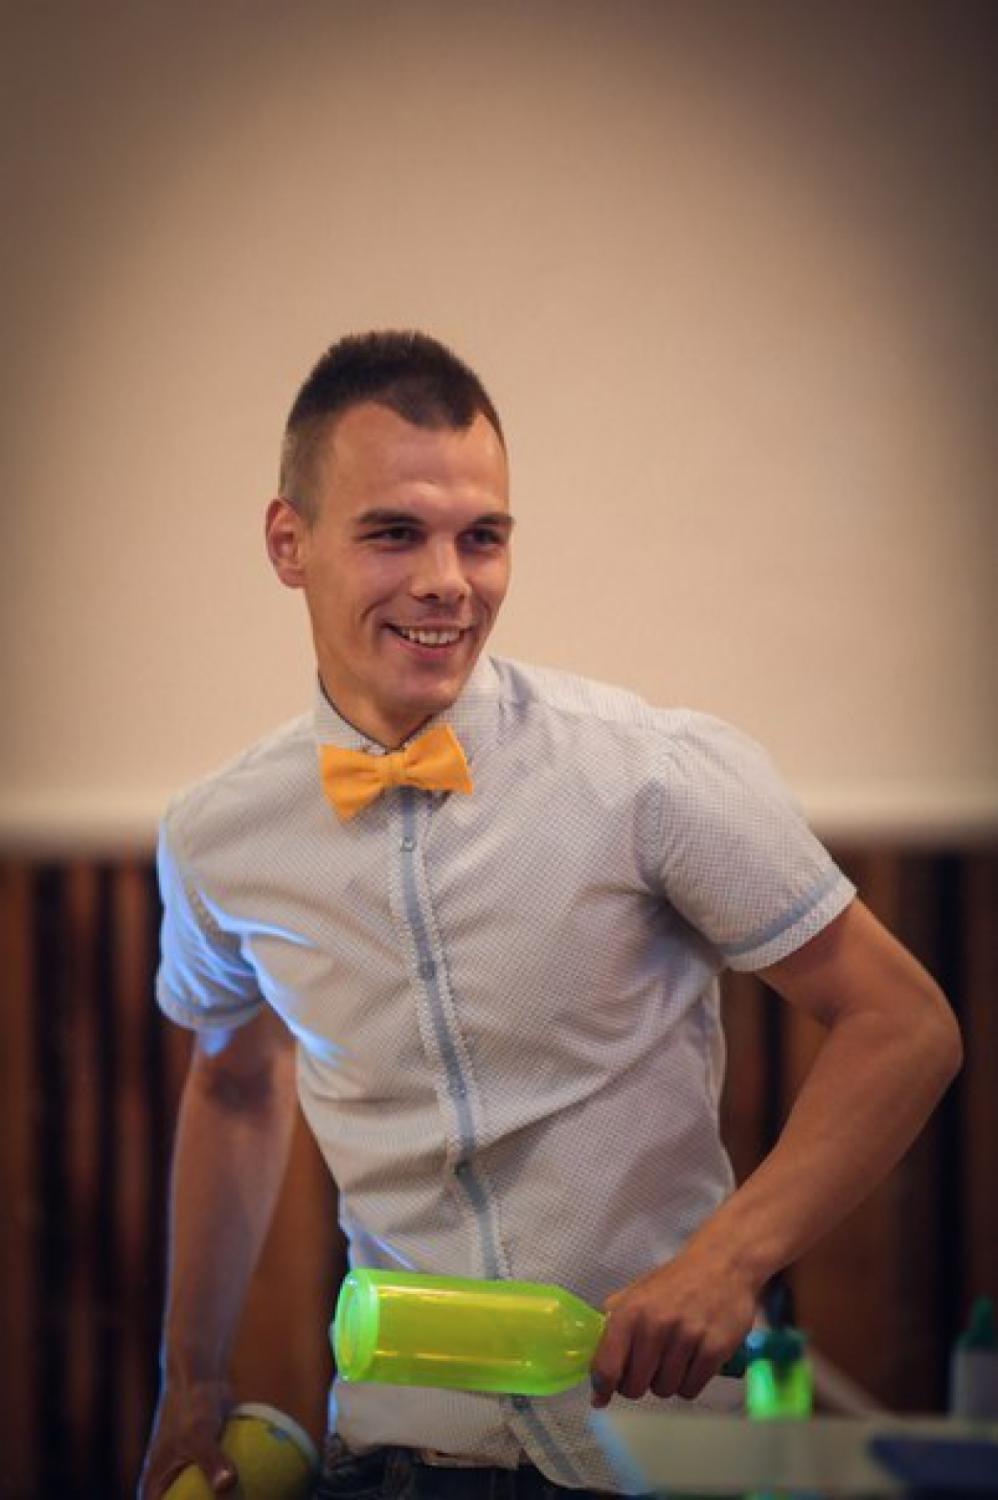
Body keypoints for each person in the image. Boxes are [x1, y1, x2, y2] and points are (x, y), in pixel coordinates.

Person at [139, 330, 961, 1499]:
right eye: (393, 533)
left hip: (662, 1455)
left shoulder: (649, 775)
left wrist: (727, 1261)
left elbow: (904, 1024)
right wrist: (189, 1382)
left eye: (481, 536)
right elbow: (231, 1085)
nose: (447, 580)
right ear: (288, 542)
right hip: (393, 1455)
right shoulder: (216, 835)